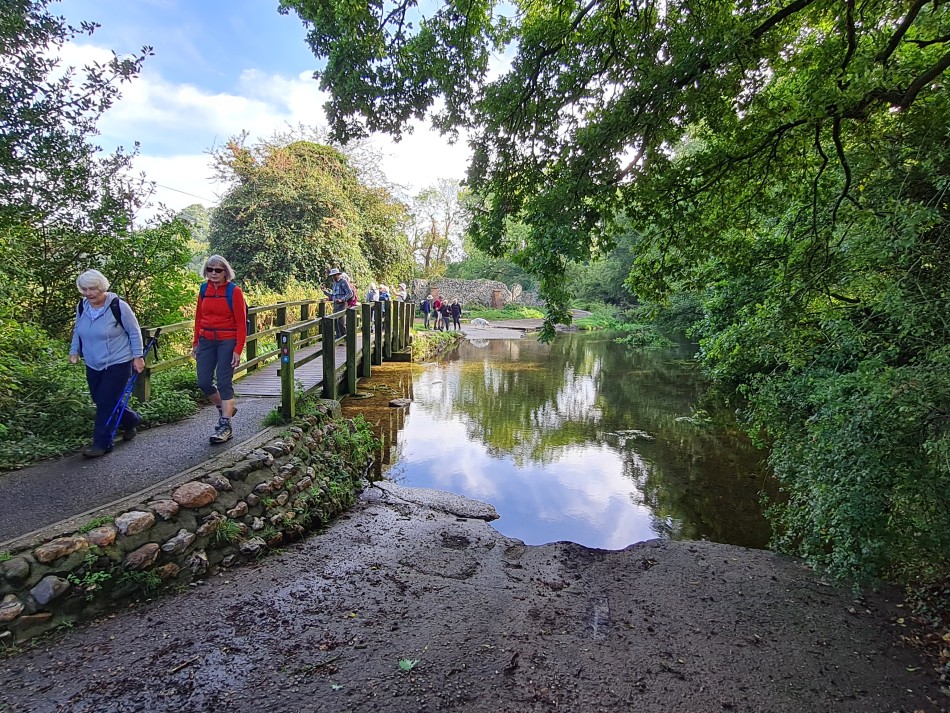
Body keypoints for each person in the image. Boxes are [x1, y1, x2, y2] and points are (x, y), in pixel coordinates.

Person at [69, 269, 145, 458]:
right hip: (93, 362)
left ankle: (102, 443)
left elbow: (134, 332)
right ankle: (131, 420)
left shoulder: (118, 306)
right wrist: (74, 351)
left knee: (105, 402)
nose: (88, 293)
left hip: (118, 362)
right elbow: (78, 330)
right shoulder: (82, 306)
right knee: (101, 399)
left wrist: (138, 356)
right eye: (84, 289)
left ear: (102, 287)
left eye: (92, 289)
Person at [192, 255, 247, 445]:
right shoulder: (203, 289)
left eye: (218, 270)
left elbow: (241, 323)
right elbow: (199, 317)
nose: (213, 273)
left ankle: (225, 425)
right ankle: (225, 407)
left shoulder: (234, 291)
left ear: (226, 272)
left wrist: (238, 349)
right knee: (204, 382)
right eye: (210, 269)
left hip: (227, 341)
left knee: (224, 382)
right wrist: (195, 343)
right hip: (206, 340)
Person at [323, 267, 353, 338]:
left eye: (334, 275)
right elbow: (333, 296)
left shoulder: (343, 282)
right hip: (335, 304)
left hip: (342, 304)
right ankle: (338, 338)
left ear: (338, 275)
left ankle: (344, 338)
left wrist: (342, 299)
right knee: (335, 321)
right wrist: (325, 292)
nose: (333, 277)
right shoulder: (334, 284)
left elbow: (350, 293)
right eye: (332, 276)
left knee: (341, 322)